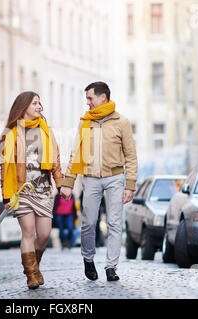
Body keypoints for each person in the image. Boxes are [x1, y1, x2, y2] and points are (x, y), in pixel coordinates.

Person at [60, 82, 138, 282]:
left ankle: (111, 267)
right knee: (88, 223)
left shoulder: (122, 122)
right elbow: (76, 154)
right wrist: (68, 182)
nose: (87, 103)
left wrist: (130, 185)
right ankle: (88, 258)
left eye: (90, 98)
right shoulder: (86, 122)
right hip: (91, 178)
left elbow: (130, 156)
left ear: (103, 97)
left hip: (115, 177)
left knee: (114, 223)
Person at [0, 91, 63, 289]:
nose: (39, 107)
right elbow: (4, 168)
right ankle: (31, 275)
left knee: (43, 235)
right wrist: (7, 195)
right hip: (22, 190)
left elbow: (56, 159)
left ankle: (33, 266)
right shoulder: (10, 134)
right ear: (24, 106)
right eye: (35, 103)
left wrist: (60, 184)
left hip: (44, 190)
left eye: (40, 103)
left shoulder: (46, 131)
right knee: (28, 232)